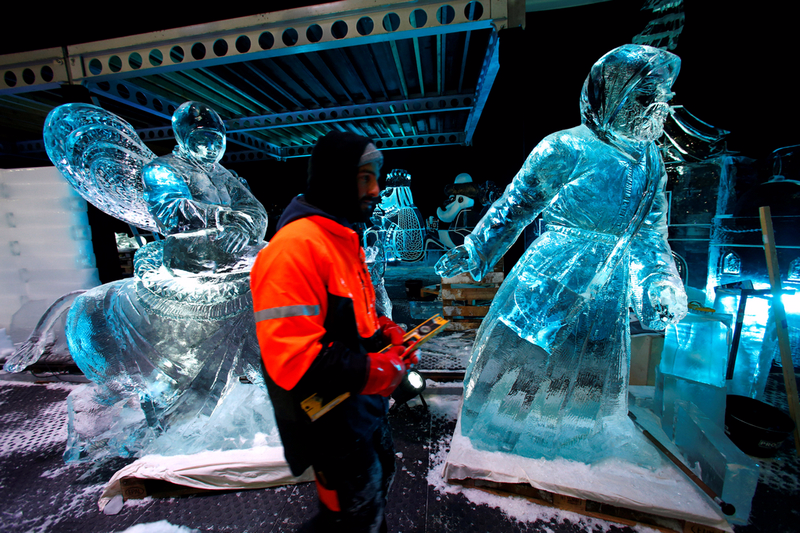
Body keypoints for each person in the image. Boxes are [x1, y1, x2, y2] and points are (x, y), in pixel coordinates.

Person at [435, 44, 688, 465]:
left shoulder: (651, 162)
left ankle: (568, 440)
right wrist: (474, 249)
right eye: (647, 96)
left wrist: (659, 281)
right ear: (616, 94)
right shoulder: (566, 147)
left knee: (587, 364)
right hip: (553, 274)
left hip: (607, 288)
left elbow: (650, 233)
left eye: (662, 97)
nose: (657, 107)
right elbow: (516, 204)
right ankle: (501, 431)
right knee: (527, 354)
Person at [250, 131, 417, 532]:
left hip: (362, 412)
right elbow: (293, 359)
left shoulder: (340, 239)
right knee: (348, 517)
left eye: (376, 177)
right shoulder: (293, 249)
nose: (376, 190)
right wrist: (375, 370)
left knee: (372, 497)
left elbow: (352, 320)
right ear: (335, 178)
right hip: (330, 426)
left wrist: (386, 333)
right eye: (364, 178)